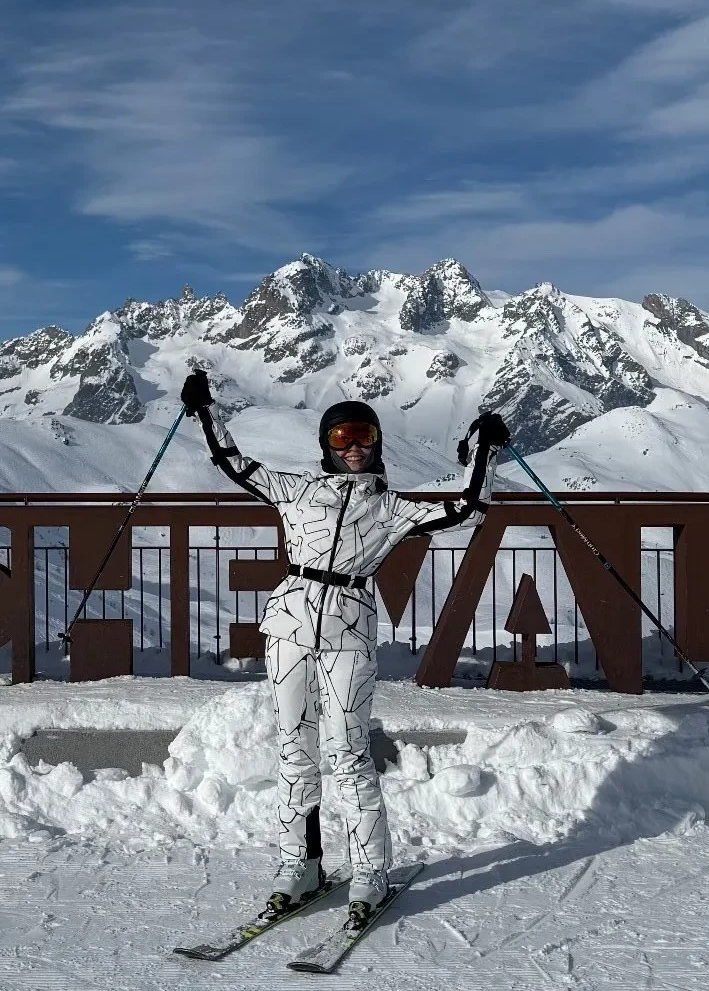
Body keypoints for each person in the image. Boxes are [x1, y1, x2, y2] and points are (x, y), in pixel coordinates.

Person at [180, 369, 508, 935]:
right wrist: (205, 409)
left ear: (378, 443)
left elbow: (467, 511)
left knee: (349, 753)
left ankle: (369, 873)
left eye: (364, 436)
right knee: (293, 751)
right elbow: (233, 464)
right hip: (289, 625)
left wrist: (485, 449)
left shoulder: (391, 508)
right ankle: (299, 867)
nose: (354, 446)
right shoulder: (296, 490)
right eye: (341, 436)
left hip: (348, 631)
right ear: (326, 444)